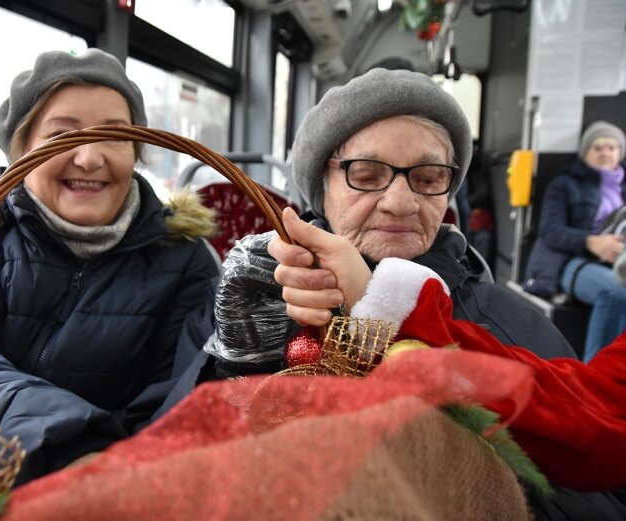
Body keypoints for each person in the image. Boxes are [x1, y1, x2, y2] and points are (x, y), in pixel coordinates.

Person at [162, 68, 624, 520]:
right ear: (322, 189)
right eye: (366, 174)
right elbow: (171, 453)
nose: (401, 203)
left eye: (427, 180)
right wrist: (231, 360)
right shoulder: (255, 293)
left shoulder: (505, 322)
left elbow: (585, 491)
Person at [0, 48, 220, 484]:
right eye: (61, 136)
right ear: (21, 150)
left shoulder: (184, 259)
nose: (88, 158)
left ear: (136, 152)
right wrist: (73, 448)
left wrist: (122, 476)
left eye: (113, 136)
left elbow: (177, 396)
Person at [523, 121, 626, 362]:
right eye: (598, 147)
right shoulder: (566, 183)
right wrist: (592, 242)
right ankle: (596, 375)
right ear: (585, 152)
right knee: (613, 291)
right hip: (570, 260)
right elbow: (550, 230)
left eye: (612, 147)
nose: (605, 153)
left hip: (617, 259)